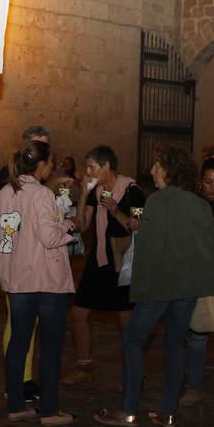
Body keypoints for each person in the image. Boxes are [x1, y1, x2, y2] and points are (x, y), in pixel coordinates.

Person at [94, 147, 214, 427]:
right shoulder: (199, 204)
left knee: (132, 340)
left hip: (159, 287)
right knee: (175, 345)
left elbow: (148, 251)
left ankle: (128, 408)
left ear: (169, 170)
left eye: (157, 165)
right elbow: (208, 249)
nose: (152, 170)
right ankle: (168, 412)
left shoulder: (158, 201)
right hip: (188, 289)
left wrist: (137, 289)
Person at [0, 140, 78, 426]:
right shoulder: (42, 194)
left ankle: (17, 404)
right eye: (51, 163)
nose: (53, 168)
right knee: (52, 346)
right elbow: (49, 238)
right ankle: (50, 410)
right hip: (45, 279)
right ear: (41, 165)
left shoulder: (6, 192)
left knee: (19, 341)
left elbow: (8, 238)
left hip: (17, 277)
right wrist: (69, 227)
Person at [62, 145, 145, 384]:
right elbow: (83, 224)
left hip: (122, 262)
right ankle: (84, 366)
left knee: (126, 320)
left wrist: (116, 211)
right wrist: (84, 193)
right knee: (78, 312)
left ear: (107, 165)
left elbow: (138, 225)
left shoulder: (133, 191)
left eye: (92, 167)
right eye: (86, 167)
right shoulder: (95, 191)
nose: (87, 171)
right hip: (99, 259)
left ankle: (133, 371)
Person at [181, 154, 214, 408]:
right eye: (208, 182)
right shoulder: (193, 205)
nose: (213, 188)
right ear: (200, 182)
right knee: (197, 334)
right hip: (198, 277)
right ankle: (194, 385)